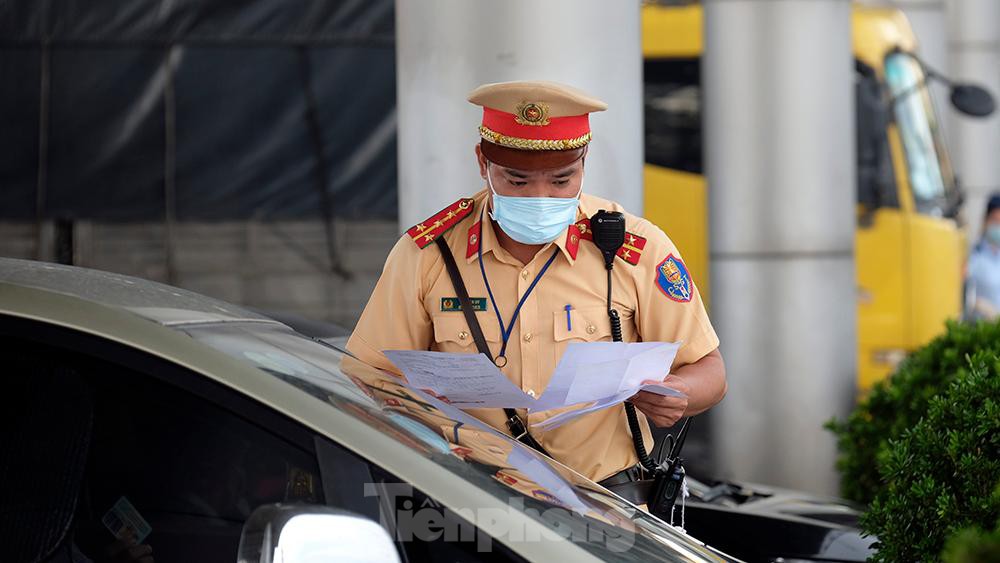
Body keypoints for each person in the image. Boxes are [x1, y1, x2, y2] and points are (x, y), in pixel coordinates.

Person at [347, 80, 726, 488]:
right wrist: (413, 405)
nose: (539, 197)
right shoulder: (429, 254)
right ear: (482, 162)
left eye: (561, 181)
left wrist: (679, 393)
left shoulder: (634, 248)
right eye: (517, 181)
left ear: (584, 163)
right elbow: (366, 376)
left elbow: (709, 370)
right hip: (469, 495)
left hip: (606, 498)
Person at [968, 193, 1000, 320]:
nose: (998, 226)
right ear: (986, 221)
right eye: (995, 220)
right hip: (982, 325)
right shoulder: (974, 255)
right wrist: (979, 305)